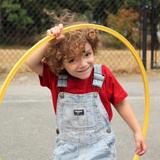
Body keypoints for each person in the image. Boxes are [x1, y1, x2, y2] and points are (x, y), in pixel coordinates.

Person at [25, 23, 147, 160]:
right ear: (60, 63)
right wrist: (50, 42)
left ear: (93, 50)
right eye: (72, 60)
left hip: (101, 147)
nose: (83, 64)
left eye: (87, 54)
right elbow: (30, 62)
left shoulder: (103, 74)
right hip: (67, 150)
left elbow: (121, 103)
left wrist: (137, 131)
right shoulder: (56, 77)